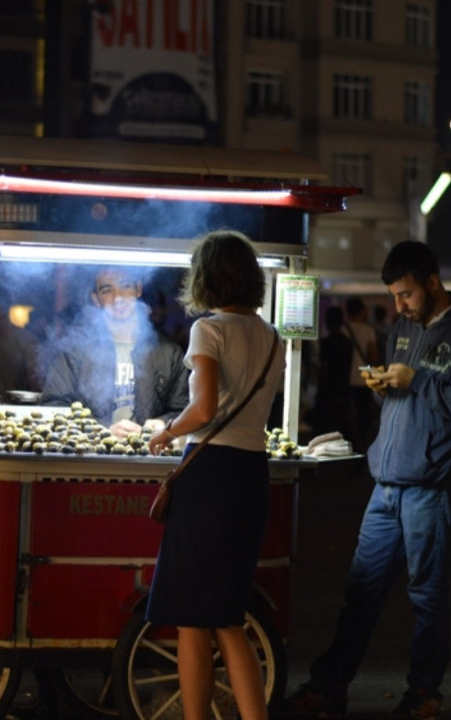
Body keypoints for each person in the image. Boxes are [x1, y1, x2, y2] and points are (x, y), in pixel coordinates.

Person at [280, 240, 451, 720]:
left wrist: (414, 380)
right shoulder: (402, 326)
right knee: (361, 590)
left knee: (428, 596)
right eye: (394, 296)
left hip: (432, 487)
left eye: (406, 294)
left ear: (433, 283)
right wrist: (383, 386)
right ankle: (329, 687)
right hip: (386, 485)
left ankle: (424, 694)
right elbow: (402, 397)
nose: (398, 305)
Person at [144, 230, 284, 720]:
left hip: (210, 478)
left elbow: (201, 409)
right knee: (228, 616)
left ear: (206, 277)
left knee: (190, 619)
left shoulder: (209, 329)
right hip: (251, 475)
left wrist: (164, 431)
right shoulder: (271, 337)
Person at [44, 267, 188, 436]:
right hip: (91, 454)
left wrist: (163, 423)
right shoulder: (74, 352)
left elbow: (184, 409)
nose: (118, 297)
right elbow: (53, 408)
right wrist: (102, 429)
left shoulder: (168, 353)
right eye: (106, 290)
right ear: (96, 299)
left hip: (149, 453)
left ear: (138, 289)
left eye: (125, 286)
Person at [339, 297, 380, 451]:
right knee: (363, 418)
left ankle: (348, 449)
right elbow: (374, 356)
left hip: (345, 381)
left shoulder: (342, 329)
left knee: (347, 420)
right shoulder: (368, 330)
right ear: (362, 311)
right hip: (363, 381)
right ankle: (363, 449)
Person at [311, 306, 353, 435]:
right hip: (343, 389)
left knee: (324, 427)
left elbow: (325, 368)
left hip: (328, 390)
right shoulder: (347, 342)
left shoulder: (326, 343)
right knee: (343, 427)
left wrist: (319, 387)